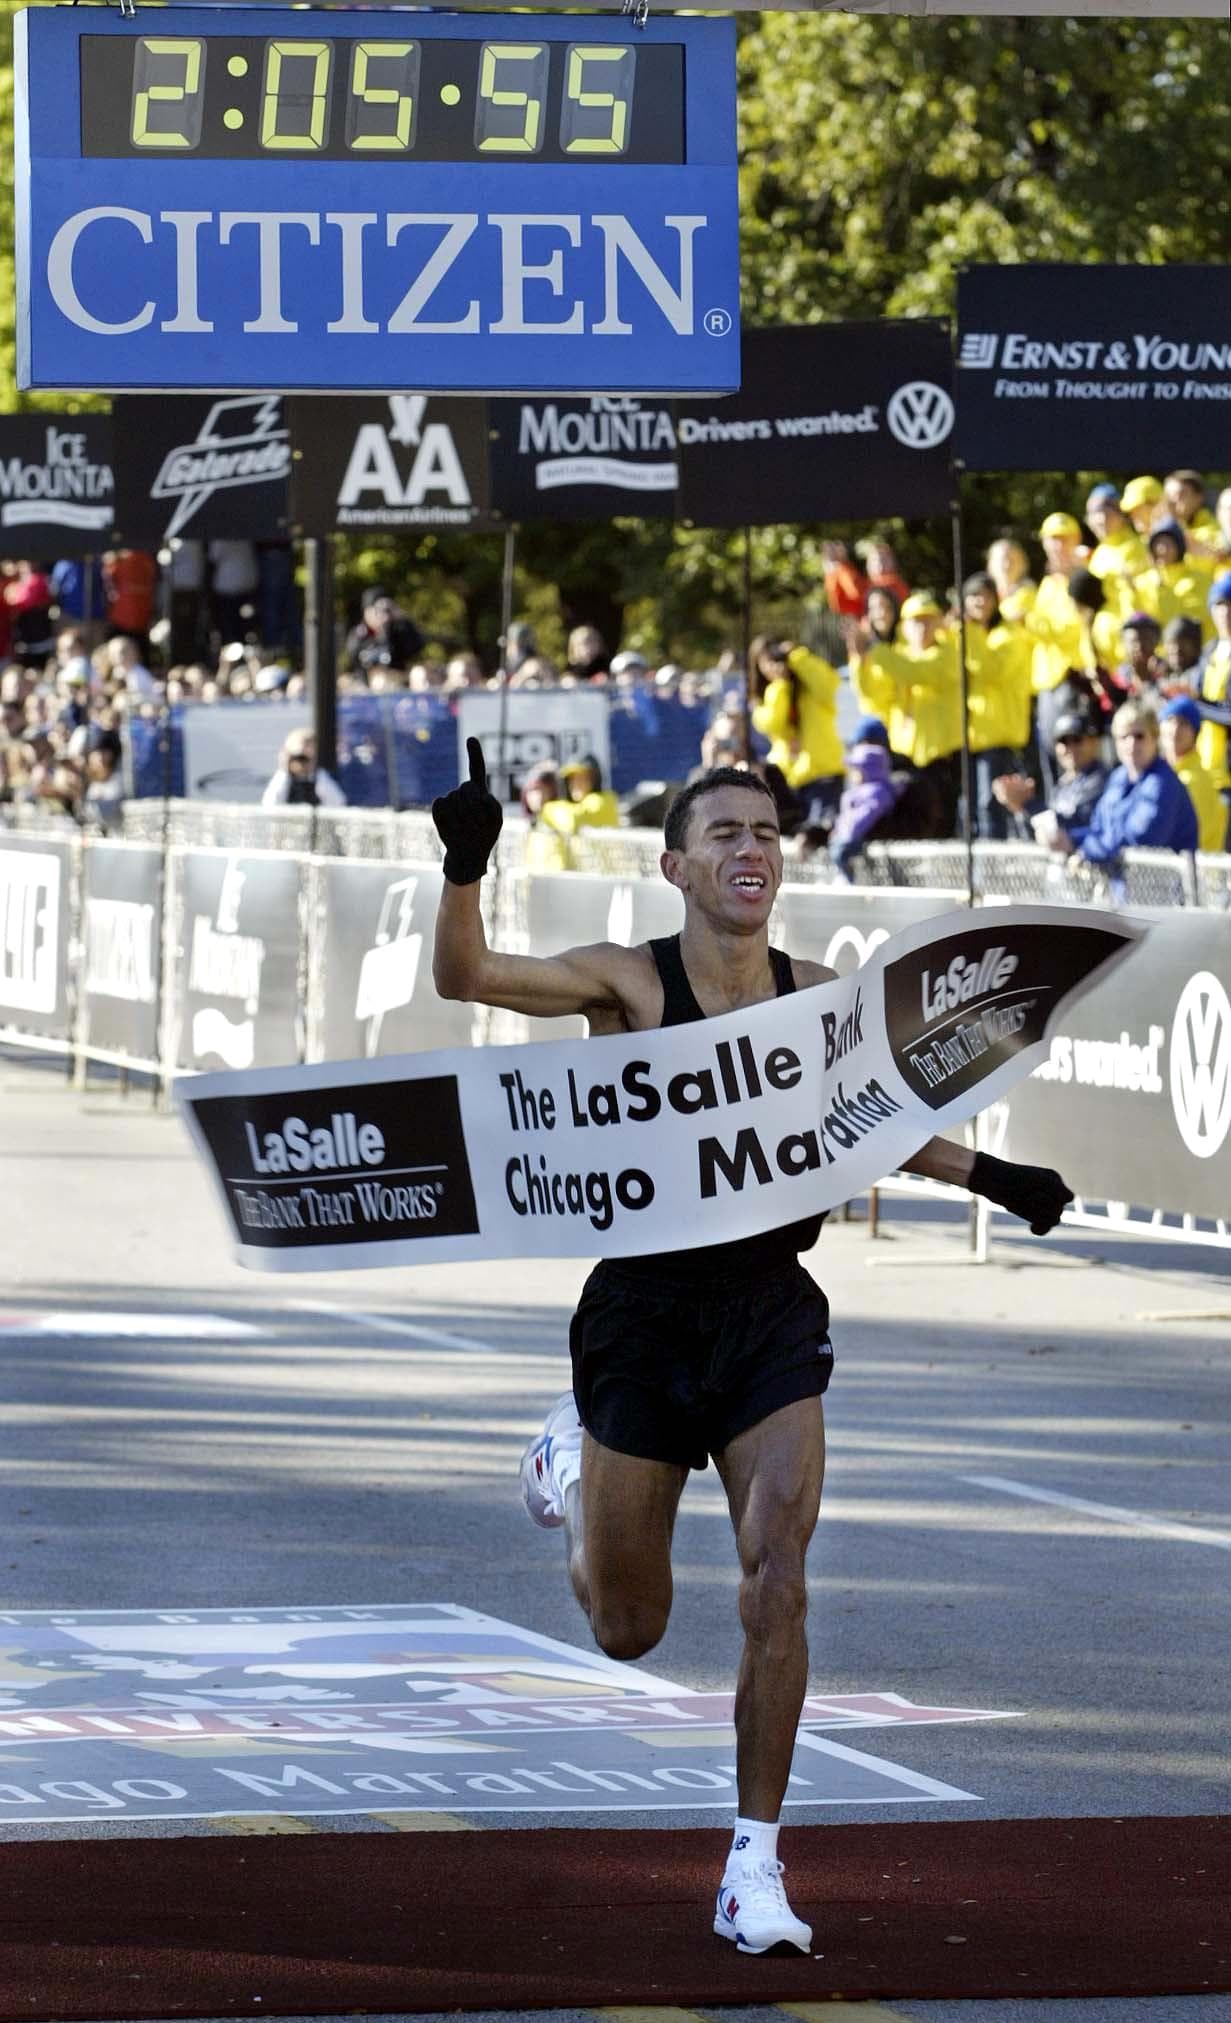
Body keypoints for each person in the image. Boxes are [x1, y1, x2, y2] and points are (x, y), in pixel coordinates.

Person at [430, 743, 1073, 1958]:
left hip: (769, 1312)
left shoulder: (816, 996)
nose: (750, 848)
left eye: (767, 831)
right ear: (675, 866)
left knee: (777, 1573)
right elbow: (466, 975)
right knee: (627, 1625)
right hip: (641, 1314)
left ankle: (753, 1865)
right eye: (723, 832)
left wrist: (993, 1174)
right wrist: (466, 865)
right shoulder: (627, 979)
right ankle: (572, 1460)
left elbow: (871, 1124)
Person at [1043, 700, 1197, 873]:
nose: (1131, 744)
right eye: (1124, 737)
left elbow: (1139, 836)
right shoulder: (1118, 777)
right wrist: (1070, 839)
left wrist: (1089, 850)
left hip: (1168, 885)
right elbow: (1100, 828)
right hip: (1125, 884)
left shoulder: (1163, 782)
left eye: (1139, 736)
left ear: (1155, 739)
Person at [750, 639, 845, 831]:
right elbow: (773, 723)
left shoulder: (810, 688)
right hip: (788, 781)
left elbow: (830, 687)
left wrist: (797, 657)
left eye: (776, 658)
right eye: (766, 661)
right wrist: (781, 685)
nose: (773, 665)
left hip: (822, 776)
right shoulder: (767, 696)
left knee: (819, 835)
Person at [992, 707, 1109, 845]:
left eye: (1077, 740)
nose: (1070, 748)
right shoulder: (1061, 786)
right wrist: (1018, 806)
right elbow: (1042, 836)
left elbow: (1073, 825)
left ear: (1094, 741)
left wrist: (1028, 803)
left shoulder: (1102, 780)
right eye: (1063, 741)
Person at [1157, 697, 1227, 854]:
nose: (1175, 729)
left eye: (1183, 723)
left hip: (1194, 867)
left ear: (1195, 733)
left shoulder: (1194, 780)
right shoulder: (1167, 773)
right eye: (1170, 720)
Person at [345, 588, 424, 679]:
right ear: (367, 611)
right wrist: (380, 634)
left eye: (387, 610)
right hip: (368, 683)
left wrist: (402, 620)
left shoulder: (399, 630)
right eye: (378, 609)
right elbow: (356, 659)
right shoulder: (360, 634)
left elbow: (415, 649)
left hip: (398, 682)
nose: (384, 615)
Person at [261, 727, 346, 808]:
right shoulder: (283, 778)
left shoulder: (320, 777)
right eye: (297, 758)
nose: (301, 762)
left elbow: (338, 803)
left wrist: (313, 772)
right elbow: (270, 804)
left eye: (306, 759)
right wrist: (286, 769)